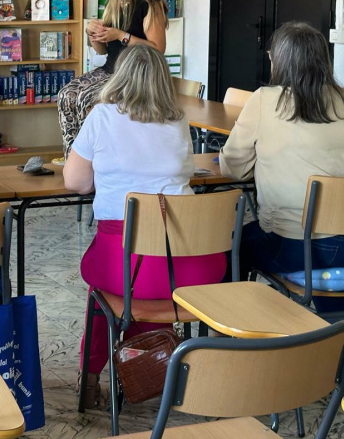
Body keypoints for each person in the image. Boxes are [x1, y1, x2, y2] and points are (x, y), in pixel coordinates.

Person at [63, 44, 226, 408]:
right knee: (141, 284)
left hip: (126, 263)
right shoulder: (179, 120)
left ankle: (93, 374)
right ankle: (156, 363)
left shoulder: (102, 116)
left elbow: (75, 183)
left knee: (106, 288)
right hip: (191, 265)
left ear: (119, 77)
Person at [219, 22, 344, 311]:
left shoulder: (265, 100)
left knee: (230, 247)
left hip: (309, 248)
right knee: (323, 233)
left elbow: (232, 168)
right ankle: (336, 333)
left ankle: (229, 334)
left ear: (280, 60)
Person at [57, 0, 168, 157]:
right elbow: (101, 50)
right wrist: (93, 33)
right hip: (111, 70)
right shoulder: (114, 2)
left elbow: (157, 50)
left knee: (86, 101)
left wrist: (121, 36)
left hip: (136, 75)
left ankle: (97, 158)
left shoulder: (151, 4)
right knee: (66, 95)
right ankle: (74, 157)